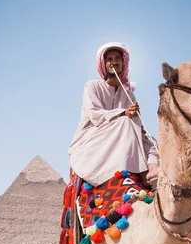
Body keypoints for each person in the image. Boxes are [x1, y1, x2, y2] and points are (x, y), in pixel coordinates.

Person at [68, 42, 159, 187]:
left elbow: (137, 126)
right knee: (125, 123)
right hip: (91, 136)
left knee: (152, 141)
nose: (114, 62)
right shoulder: (92, 86)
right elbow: (95, 115)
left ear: (123, 63)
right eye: (109, 59)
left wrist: (135, 116)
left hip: (124, 134)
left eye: (117, 58)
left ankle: (152, 169)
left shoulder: (129, 95)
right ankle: (140, 173)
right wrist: (125, 113)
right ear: (103, 64)